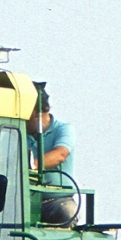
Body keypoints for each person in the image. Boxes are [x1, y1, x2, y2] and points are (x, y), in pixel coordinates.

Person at [30, 94, 79, 224]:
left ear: (35, 113)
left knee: (68, 213)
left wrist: (31, 166)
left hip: (58, 201)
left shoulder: (64, 129)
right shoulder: (18, 133)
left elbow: (60, 154)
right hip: (23, 202)